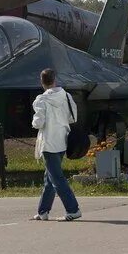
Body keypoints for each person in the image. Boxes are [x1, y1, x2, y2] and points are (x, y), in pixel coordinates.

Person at [31, 68, 81, 221]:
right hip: (62, 140)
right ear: (55, 80)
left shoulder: (41, 100)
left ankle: (73, 209)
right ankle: (43, 211)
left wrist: (34, 122)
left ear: (42, 82)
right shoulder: (66, 96)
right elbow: (73, 117)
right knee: (50, 177)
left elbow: (38, 123)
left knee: (57, 178)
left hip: (48, 142)